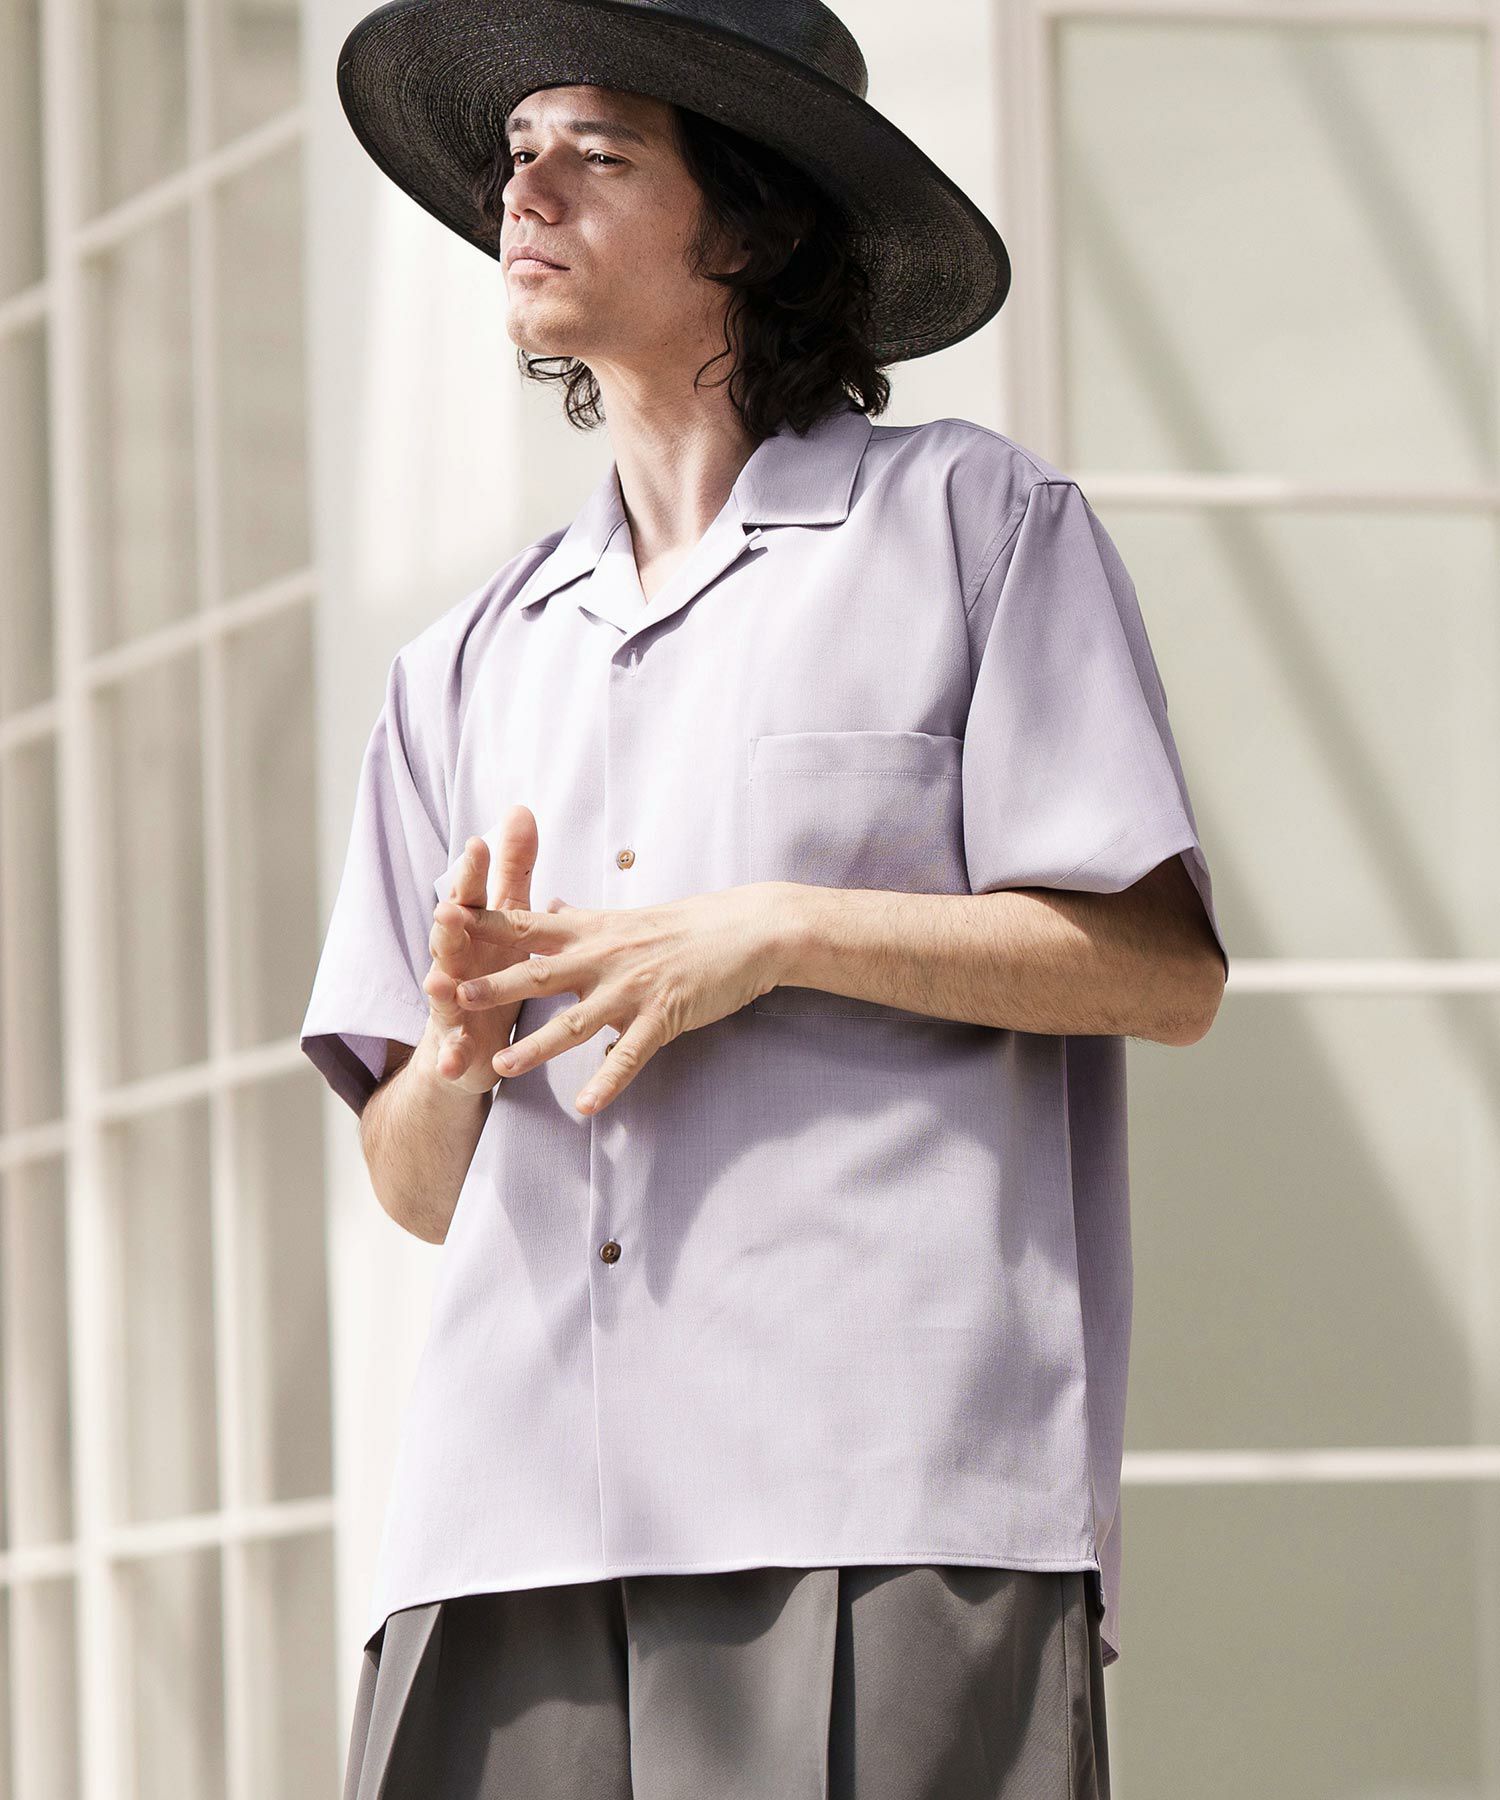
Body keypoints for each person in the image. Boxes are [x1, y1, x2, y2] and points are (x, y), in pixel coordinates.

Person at [303, 3, 1230, 1795]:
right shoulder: (462, 665)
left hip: (878, 1492)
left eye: (598, 154)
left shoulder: (973, 525)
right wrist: (456, 1053)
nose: (525, 193)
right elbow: (414, 1188)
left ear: (752, 224)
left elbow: (1159, 971)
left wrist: (777, 931)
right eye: (517, 154)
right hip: (508, 1522)